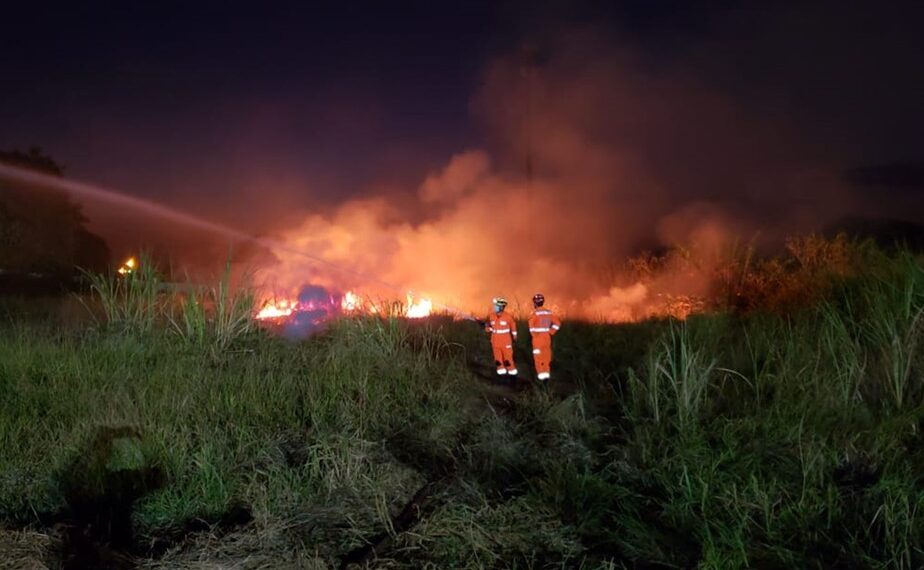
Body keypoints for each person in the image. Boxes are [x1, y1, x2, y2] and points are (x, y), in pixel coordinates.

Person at [528, 293, 561, 382]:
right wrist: (551, 331)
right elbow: (557, 323)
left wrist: (534, 335)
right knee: (546, 357)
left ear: (535, 303)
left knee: (538, 358)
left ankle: (541, 378)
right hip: (547, 338)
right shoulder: (548, 312)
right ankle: (546, 376)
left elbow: (531, 327)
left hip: (538, 339)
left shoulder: (534, 314)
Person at [485, 297, 518, 378]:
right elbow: (488, 327)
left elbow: (513, 328)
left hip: (506, 342)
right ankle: (501, 375)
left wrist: (514, 336)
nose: (494, 307)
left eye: (496, 306)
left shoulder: (508, 317)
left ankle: (512, 375)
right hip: (495, 342)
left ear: (501, 307)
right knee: (498, 359)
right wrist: (488, 328)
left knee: (508, 359)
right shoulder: (491, 316)